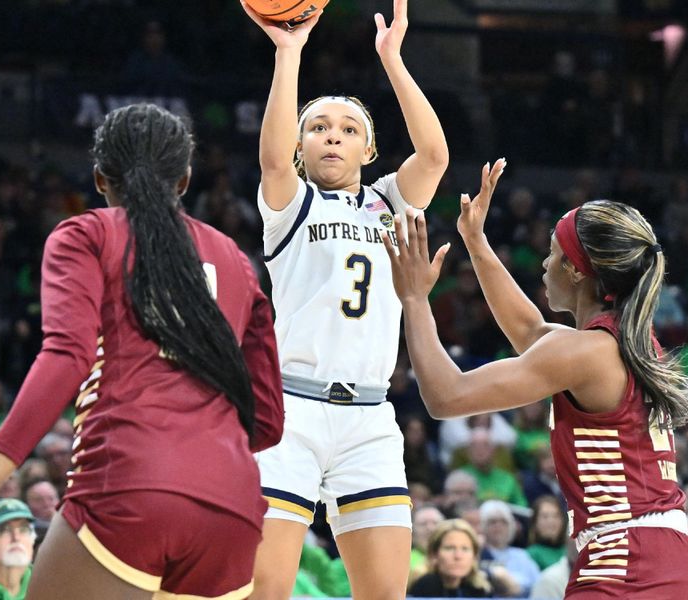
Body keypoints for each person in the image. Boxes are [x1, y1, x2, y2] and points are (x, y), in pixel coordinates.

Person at [0, 103, 284, 600]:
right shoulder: (236, 261)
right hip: (233, 508)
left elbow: (67, 355)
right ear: (183, 181)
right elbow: (267, 420)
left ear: (100, 179)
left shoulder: (88, 233)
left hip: (131, 480)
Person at [383, 159, 688, 597]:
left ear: (575, 270)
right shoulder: (623, 341)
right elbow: (531, 333)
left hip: (627, 559)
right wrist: (476, 243)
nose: (544, 263)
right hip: (667, 555)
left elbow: (446, 396)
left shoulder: (586, 351)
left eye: (553, 253)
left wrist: (414, 298)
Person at [241, 0, 449, 597]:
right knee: (265, 590)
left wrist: (393, 59)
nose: (333, 135)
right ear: (303, 147)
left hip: (370, 417)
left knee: (386, 593)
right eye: (319, 128)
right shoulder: (290, 205)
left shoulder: (389, 203)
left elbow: (435, 156)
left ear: (369, 151)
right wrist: (289, 52)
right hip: (290, 413)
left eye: (349, 129)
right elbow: (272, 158)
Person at [409, 518, 493, 598]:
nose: (458, 556)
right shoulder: (423, 586)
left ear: (474, 555)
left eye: (465, 549)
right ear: (434, 554)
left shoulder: (481, 588)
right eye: (449, 548)